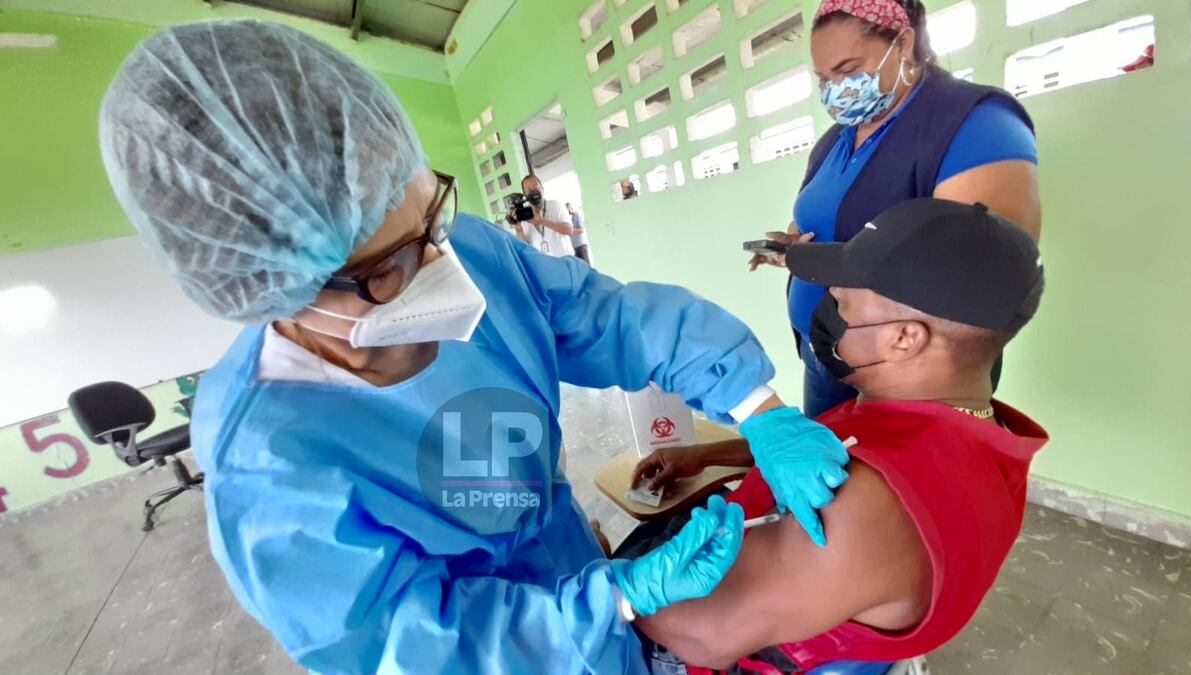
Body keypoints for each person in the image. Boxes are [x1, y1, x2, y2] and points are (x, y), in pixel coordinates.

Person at [98, 20, 851, 675]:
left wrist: (757, 404)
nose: (442, 275)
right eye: (388, 268)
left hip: (580, 578)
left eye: (431, 219)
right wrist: (614, 596)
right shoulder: (269, 468)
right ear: (277, 287)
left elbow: (613, 320)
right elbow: (407, 648)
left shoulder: (470, 252)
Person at [634, 199, 1049, 672]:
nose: (827, 307)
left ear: (903, 338)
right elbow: (831, 450)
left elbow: (704, 635)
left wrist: (597, 592)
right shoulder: (962, 423)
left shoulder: (863, 507)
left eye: (841, 301)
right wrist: (708, 455)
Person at [748, 0, 1041, 419]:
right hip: (826, 351)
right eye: (823, 78)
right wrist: (792, 244)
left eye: (848, 70)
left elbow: (986, 269)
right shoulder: (836, 141)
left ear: (902, 44)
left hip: (908, 374)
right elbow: (823, 218)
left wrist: (809, 259)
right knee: (831, 474)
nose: (834, 88)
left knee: (902, 479)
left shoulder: (975, 122)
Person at [511, 175, 577, 258]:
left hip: (565, 262)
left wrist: (541, 221)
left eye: (536, 188)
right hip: (542, 266)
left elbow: (569, 230)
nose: (533, 192)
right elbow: (523, 245)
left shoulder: (557, 205)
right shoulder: (523, 213)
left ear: (542, 189)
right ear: (524, 194)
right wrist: (518, 227)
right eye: (529, 190)